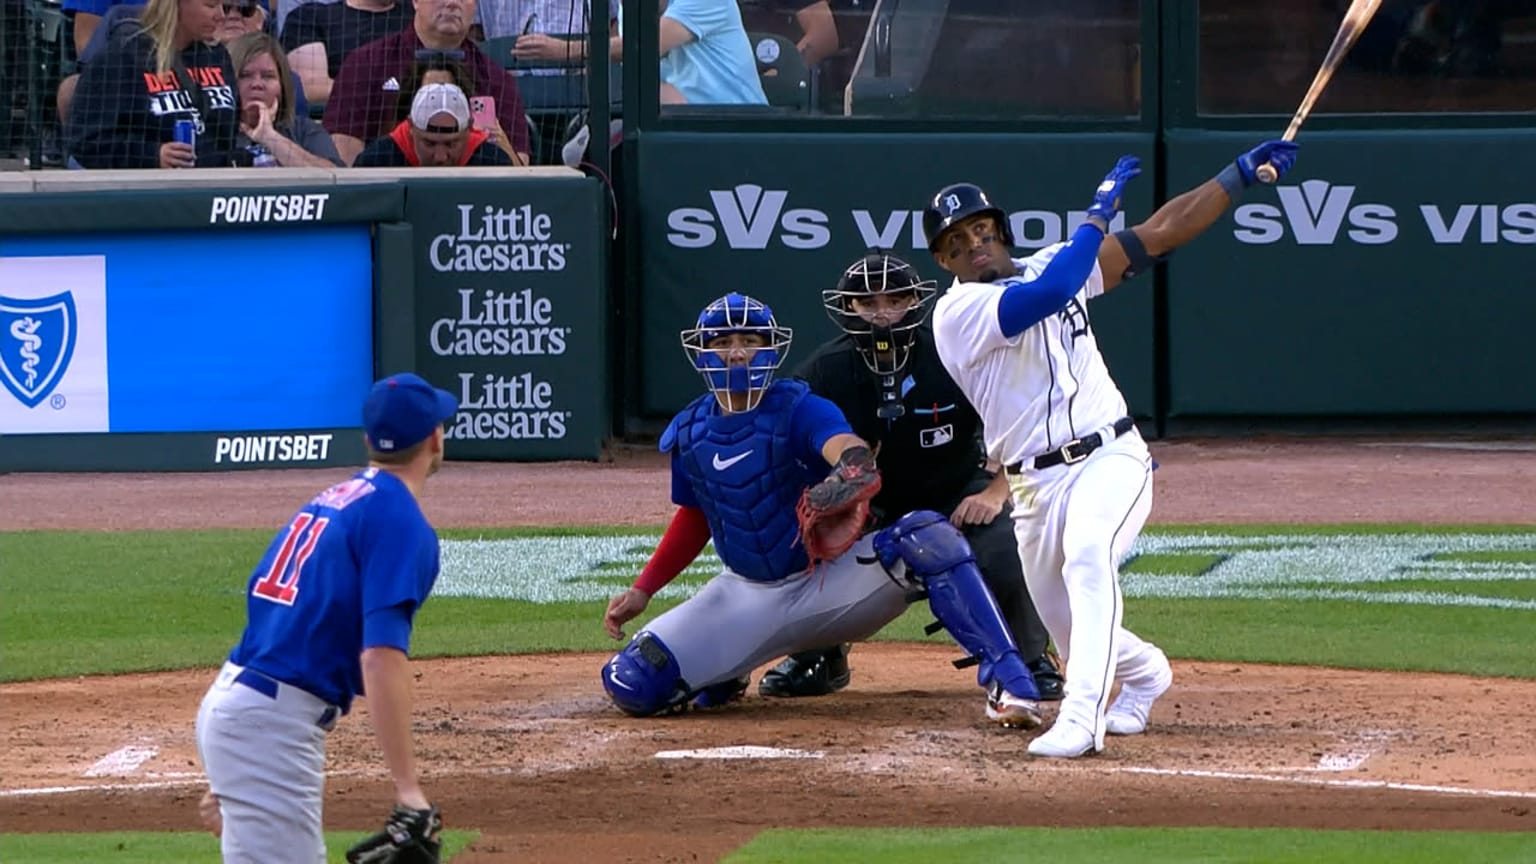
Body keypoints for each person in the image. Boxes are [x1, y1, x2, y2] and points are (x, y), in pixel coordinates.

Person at [921, 139, 1300, 757]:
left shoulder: (1051, 263)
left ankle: (1080, 716)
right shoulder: (959, 311)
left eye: (982, 229)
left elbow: (1160, 234)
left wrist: (1236, 178)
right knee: (1066, 626)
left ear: (1002, 231)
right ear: (944, 260)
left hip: (1109, 456)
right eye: (956, 242)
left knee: (1090, 555)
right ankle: (1147, 671)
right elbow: (1049, 295)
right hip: (1033, 487)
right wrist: (1095, 218)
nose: (974, 245)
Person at [599, 292, 1042, 724]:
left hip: (829, 583)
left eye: (750, 343)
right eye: (723, 343)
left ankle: (1010, 678)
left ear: (770, 350)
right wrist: (644, 588)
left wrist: (844, 477)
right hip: (745, 594)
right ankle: (727, 670)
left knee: (926, 535)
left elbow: (851, 454)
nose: (737, 354)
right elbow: (696, 515)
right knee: (632, 682)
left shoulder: (800, 407)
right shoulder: (690, 432)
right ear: (701, 352)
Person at [757, 250, 1064, 725]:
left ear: (916, 301)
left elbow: (1023, 427)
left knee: (1010, 539)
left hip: (956, 489)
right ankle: (819, 656)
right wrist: (831, 500)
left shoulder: (953, 353)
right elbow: (790, 450)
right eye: (868, 302)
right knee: (804, 540)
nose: (882, 313)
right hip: (867, 506)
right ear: (847, 307)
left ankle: (1029, 655)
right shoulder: (823, 372)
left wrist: (995, 493)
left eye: (895, 299)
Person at [195, 372, 458, 861]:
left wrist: (231, 766)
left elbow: (264, 604)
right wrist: (407, 789)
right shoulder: (399, 520)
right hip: (269, 724)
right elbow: (380, 656)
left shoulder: (337, 499)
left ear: (368, 441)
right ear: (434, 437)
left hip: (240, 705)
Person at [322, 0, 530, 165]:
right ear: (415, 1)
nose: (451, 3)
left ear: (475, 7)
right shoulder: (365, 64)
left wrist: (501, 144)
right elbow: (346, 162)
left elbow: (519, 169)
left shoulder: (497, 79)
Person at [66, 0, 239, 168]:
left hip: (215, 186)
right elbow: (85, 140)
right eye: (211, 5)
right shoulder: (124, 56)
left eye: (223, 6)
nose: (221, 15)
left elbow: (229, 138)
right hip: (146, 189)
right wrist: (152, 155)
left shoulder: (217, 57)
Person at [227, 31, 344, 165]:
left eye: (268, 76)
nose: (257, 84)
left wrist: (269, 137)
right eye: (245, 75)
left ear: (282, 85)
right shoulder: (210, 132)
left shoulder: (304, 130)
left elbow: (332, 178)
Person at [280, 0, 414, 105]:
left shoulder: (417, 15)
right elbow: (313, 89)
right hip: (342, 124)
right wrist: (383, 90)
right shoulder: (311, 16)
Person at [353, 80, 514, 166]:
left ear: (470, 128)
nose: (440, 157)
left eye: (451, 144)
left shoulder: (492, 163)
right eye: (429, 143)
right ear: (410, 127)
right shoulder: (377, 161)